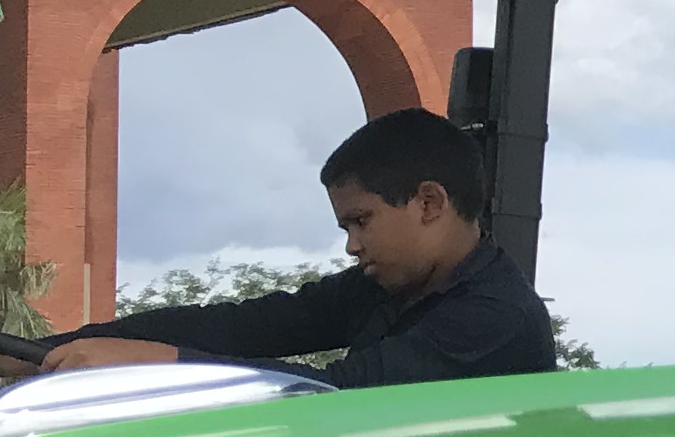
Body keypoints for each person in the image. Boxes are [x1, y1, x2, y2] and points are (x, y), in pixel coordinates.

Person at [36, 108, 558, 388]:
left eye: (361, 221)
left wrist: (156, 364)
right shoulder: (386, 287)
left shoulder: (495, 315)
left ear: (428, 202)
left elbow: (334, 395)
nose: (352, 246)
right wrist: (52, 350)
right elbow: (242, 326)